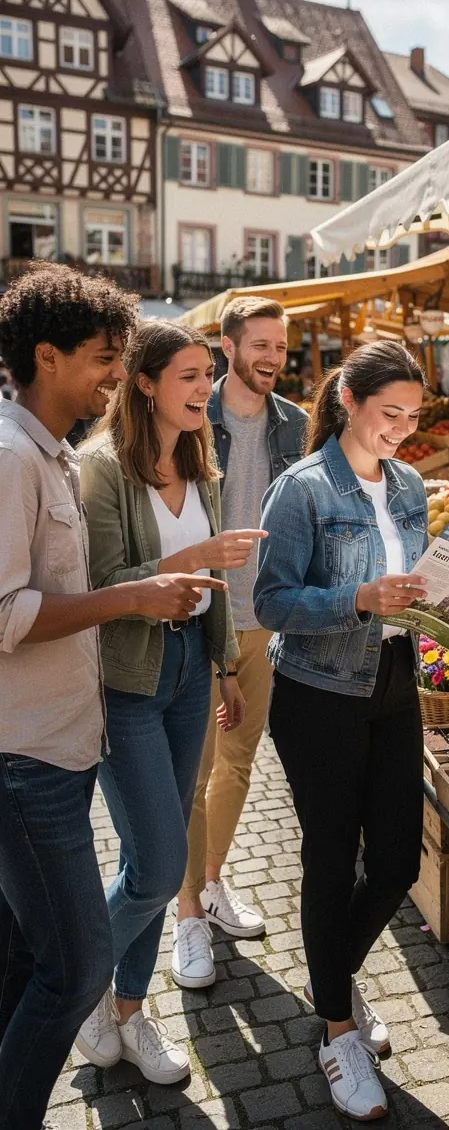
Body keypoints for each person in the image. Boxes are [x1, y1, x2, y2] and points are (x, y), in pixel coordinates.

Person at [254, 341, 449, 1121]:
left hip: (396, 685)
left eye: (412, 416)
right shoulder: (300, 490)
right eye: (389, 414)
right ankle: (336, 1031)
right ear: (348, 404)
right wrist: (358, 598)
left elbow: (413, 595)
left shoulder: (409, 485)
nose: (401, 429)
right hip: (317, 692)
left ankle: (333, 974)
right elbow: (270, 603)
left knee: (395, 861)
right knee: (330, 860)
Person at [0, 267, 223, 1129]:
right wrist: (135, 594)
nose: (110, 375)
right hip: (28, 756)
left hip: (65, 736)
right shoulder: (21, 458)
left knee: (29, 960)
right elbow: (8, 612)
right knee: (73, 967)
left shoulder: (48, 454)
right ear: (45, 357)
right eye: (101, 359)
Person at [77, 320, 265, 1085]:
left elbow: (211, 590)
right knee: (157, 867)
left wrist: (222, 665)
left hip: (189, 669)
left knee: (150, 857)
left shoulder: (201, 463)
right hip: (126, 678)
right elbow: (98, 585)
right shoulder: (99, 469)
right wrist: (191, 558)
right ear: (145, 382)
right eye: (189, 375)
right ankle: (75, 983)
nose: (203, 389)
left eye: (207, 376)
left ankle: (125, 1012)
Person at [174, 296, 307, 988]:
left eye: (281, 348)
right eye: (260, 345)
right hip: (203, 616)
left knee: (239, 763)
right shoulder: (194, 416)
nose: (272, 359)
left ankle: (215, 880)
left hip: (266, 620)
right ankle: (187, 911)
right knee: (190, 776)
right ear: (229, 347)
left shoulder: (296, 423)